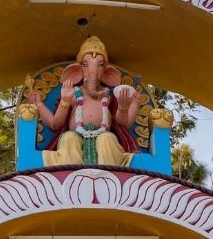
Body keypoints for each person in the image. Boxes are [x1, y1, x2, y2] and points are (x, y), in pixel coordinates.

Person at [31, 36, 141, 166]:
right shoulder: (73, 93)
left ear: (107, 73)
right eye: (85, 65)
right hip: (76, 135)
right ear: (77, 71)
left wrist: (124, 106)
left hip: (103, 135)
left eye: (100, 65)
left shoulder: (108, 96)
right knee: (68, 138)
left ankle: (110, 174)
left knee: (107, 138)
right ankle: (70, 174)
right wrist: (63, 100)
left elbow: (123, 124)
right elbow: (55, 124)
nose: (92, 70)